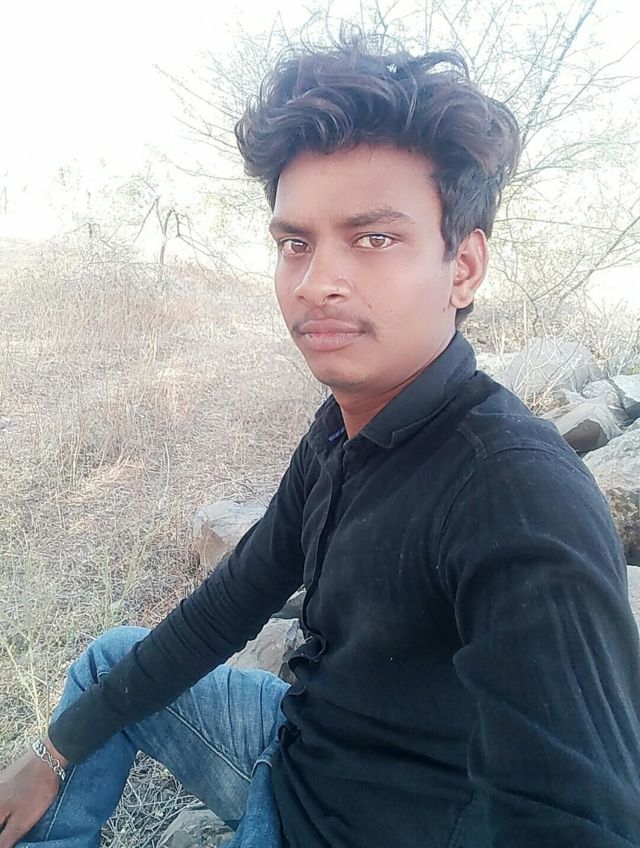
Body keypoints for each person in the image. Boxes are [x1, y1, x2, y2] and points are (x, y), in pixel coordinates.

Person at [1, 37, 639, 848]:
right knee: (106, 666)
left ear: (463, 267)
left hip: (344, 826)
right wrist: (54, 751)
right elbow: (230, 603)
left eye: (374, 239)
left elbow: (577, 816)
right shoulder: (344, 426)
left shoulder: (515, 493)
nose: (314, 283)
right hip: (296, 742)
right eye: (295, 243)